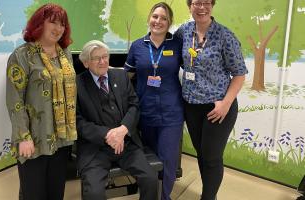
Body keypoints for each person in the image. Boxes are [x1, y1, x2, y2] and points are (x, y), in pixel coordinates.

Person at [174, 1, 248, 200]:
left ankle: (207, 198)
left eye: (206, 2)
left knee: (212, 157)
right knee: (201, 153)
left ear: (212, 5)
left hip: (218, 106)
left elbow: (239, 75)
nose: (201, 7)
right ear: (190, 5)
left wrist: (225, 104)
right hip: (191, 105)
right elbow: (176, 58)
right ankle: (210, 195)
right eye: (196, 2)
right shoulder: (183, 32)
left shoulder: (225, 36)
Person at [6, 4, 77, 200]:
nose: (58, 28)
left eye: (62, 23)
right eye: (52, 22)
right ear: (39, 23)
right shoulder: (21, 55)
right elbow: (14, 99)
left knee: (56, 192)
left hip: (61, 138)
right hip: (34, 138)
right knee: (33, 193)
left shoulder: (65, 53)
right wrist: (23, 136)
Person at [76, 40, 158, 200]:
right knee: (94, 193)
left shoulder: (120, 76)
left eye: (105, 56)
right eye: (96, 58)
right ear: (86, 63)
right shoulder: (77, 84)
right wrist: (108, 135)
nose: (103, 61)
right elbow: (77, 122)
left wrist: (123, 130)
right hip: (95, 149)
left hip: (127, 144)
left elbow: (134, 106)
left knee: (150, 179)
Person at [124, 2, 184, 200]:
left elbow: (193, 69)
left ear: (169, 23)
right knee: (149, 161)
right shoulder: (137, 46)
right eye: (155, 16)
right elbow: (127, 77)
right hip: (145, 112)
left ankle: (164, 197)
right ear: (149, 18)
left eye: (164, 18)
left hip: (171, 112)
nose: (158, 21)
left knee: (168, 161)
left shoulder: (177, 44)